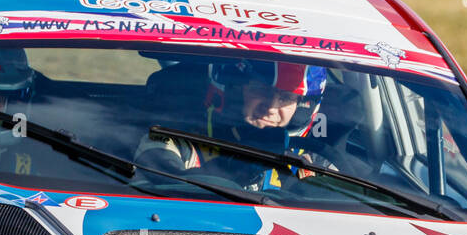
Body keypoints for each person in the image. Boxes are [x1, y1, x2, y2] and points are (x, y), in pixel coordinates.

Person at [140, 59, 337, 188]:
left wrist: (302, 186)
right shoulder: (172, 139)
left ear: (301, 107)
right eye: (261, 90)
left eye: (286, 98)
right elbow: (161, 186)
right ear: (233, 90)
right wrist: (240, 167)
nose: (270, 107)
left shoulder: (315, 162)